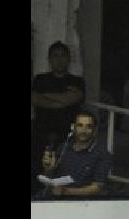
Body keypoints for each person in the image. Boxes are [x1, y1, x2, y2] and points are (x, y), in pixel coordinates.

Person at [32, 40, 86, 193]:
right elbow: (35, 99)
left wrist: (47, 97)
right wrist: (62, 100)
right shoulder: (40, 79)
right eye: (55, 56)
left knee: (65, 171)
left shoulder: (77, 81)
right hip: (40, 132)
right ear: (49, 59)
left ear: (68, 59)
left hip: (67, 134)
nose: (59, 59)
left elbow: (75, 98)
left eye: (63, 56)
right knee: (37, 169)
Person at [38, 111, 112, 197]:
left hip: (78, 203)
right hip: (51, 198)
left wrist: (65, 192)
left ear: (94, 130)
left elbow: (96, 188)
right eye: (80, 125)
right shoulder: (63, 147)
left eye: (89, 126)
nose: (84, 130)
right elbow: (50, 179)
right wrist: (48, 169)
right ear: (73, 127)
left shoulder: (102, 154)